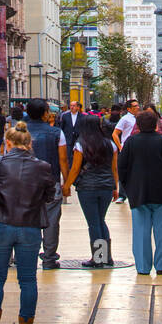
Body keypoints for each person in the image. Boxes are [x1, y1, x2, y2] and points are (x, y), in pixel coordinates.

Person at [0, 121, 56, 324]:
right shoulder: (43, 167)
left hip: (0, 223)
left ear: (7, 143)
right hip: (29, 227)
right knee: (28, 279)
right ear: (29, 143)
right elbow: (50, 195)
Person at [118, 111, 162, 275]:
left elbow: (122, 166)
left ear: (137, 125)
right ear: (156, 124)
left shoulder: (131, 142)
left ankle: (143, 267)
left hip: (139, 192)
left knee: (141, 232)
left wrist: (128, 186)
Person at [63, 112, 119, 266]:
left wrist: (67, 186)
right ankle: (106, 256)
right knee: (101, 220)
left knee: (94, 223)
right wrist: (115, 187)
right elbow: (114, 168)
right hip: (106, 186)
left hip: (87, 187)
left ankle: (98, 258)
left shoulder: (80, 144)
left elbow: (75, 169)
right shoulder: (110, 143)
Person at [24, 98, 68, 270]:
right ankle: (49, 259)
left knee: (25, 219)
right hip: (50, 182)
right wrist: (66, 183)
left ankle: (25, 256)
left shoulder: (18, 133)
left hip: (23, 184)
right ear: (44, 113)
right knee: (51, 221)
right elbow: (63, 159)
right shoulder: (57, 133)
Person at [112, 98, 140, 202]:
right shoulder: (125, 119)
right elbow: (115, 134)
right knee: (124, 171)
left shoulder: (140, 118)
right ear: (129, 109)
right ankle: (122, 195)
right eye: (135, 106)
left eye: (138, 105)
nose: (138, 107)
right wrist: (120, 147)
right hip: (127, 148)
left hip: (138, 147)